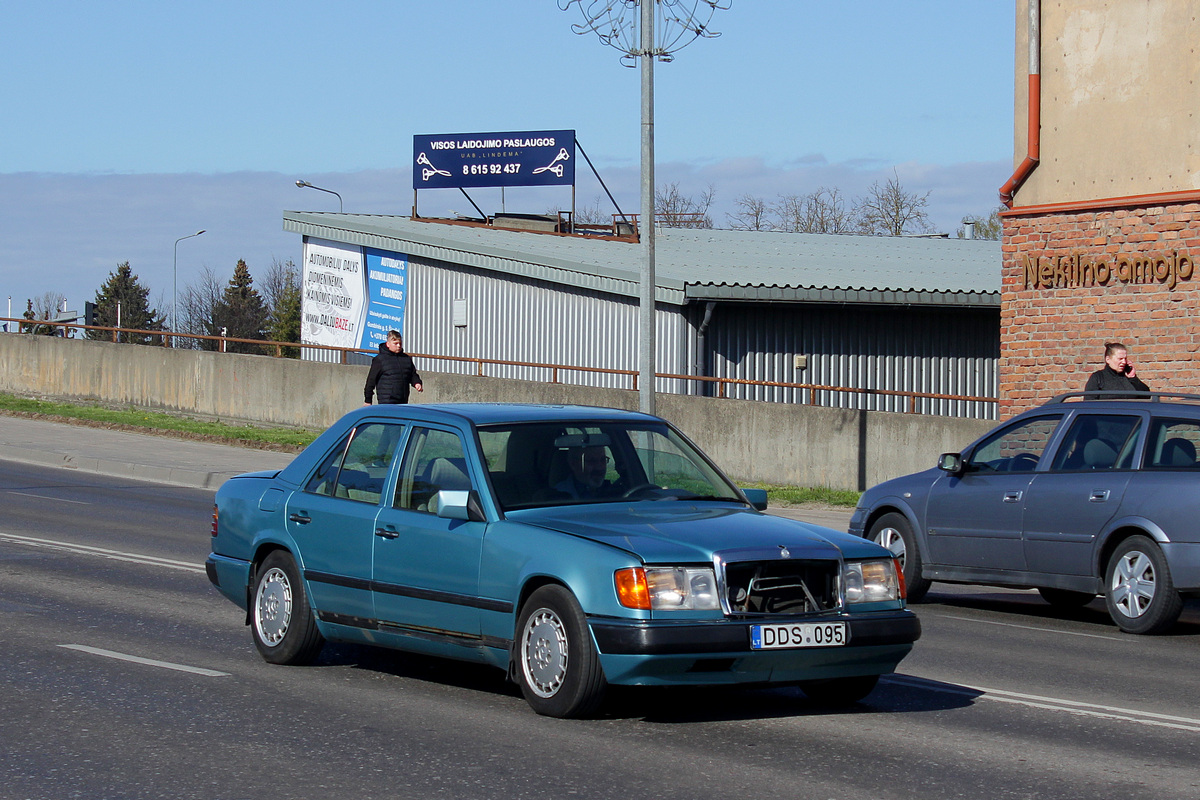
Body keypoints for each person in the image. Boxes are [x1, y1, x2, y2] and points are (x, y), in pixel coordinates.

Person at [363, 331, 423, 405]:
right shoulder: (380, 360)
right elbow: (371, 381)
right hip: (387, 401)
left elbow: (412, 374)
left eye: (400, 343)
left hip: (403, 400)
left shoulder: (406, 358)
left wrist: (417, 383)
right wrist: (368, 400)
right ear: (388, 344)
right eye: (395, 343)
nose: (398, 346)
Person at [1084, 342, 1150, 395]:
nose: (1124, 362)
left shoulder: (1128, 378)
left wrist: (1133, 378)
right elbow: (1089, 404)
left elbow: (1147, 395)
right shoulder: (1098, 378)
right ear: (1108, 359)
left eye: (1125, 358)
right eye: (1120, 359)